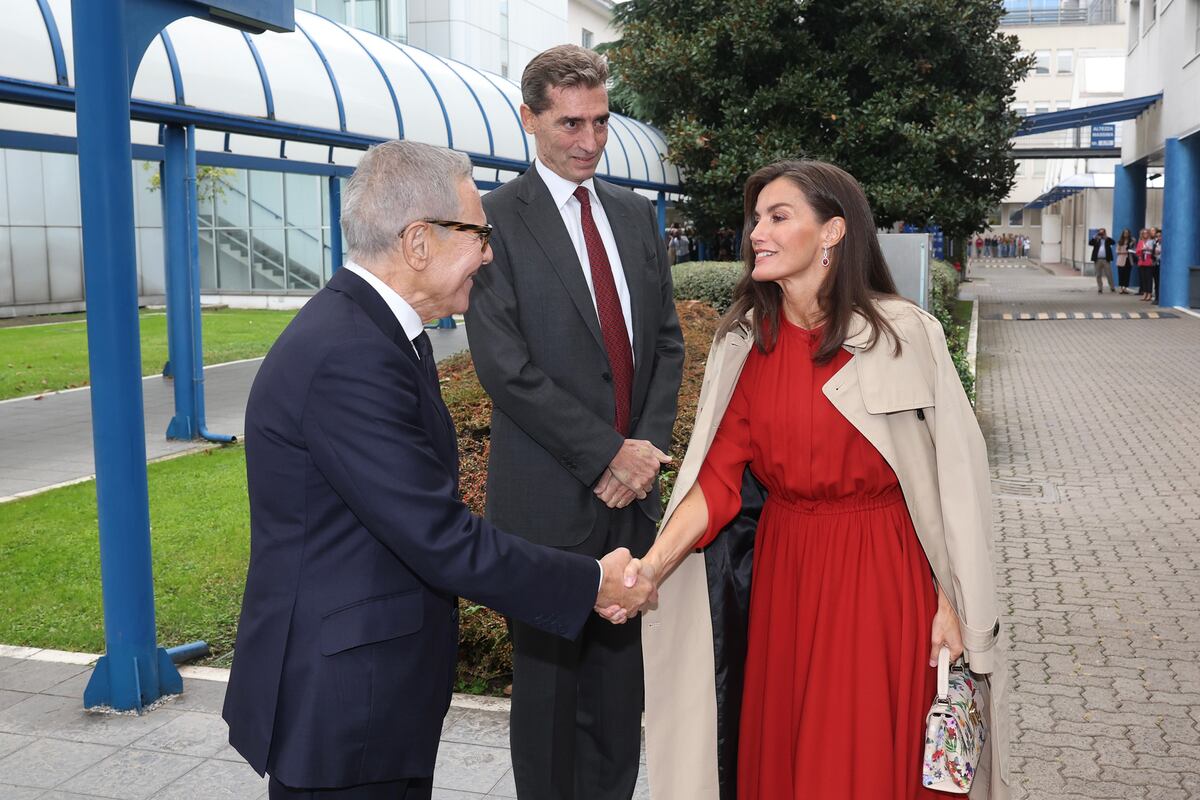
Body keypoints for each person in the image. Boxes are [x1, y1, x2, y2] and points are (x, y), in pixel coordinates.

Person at [222, 140, 655, 800]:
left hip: (370, 689)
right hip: (343, 705)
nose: (488, 252)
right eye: (479, 233)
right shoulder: (350, 354)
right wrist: (592, 582)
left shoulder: (374, 331)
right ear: (418, 242)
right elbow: (439, 537)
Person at [635, 160, 1009, 799]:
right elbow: (717, 482)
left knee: (861, 755)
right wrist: (650, 568)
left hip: (884, 577)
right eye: (756, 219)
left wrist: (957, 603)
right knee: (789, 753)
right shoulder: (746, 345)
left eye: (778, 217)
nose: (758, 231)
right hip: (788, 576)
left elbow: (958, 486)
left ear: (833, 232)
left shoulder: (904, 336)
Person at [464, 45, 685, 800]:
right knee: (551, 705)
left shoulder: (631, 213)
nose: (589, 141)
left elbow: (665, 342)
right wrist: (605, 456)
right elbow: (505, 367)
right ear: (529, 119)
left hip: (634, 504)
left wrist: (645, 455)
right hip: (548, 503)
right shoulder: (490, 221)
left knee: (621, 700)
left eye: (600, 120)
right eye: (568, 124)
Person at [1089, 228, 1116, 293]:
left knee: (1109, 274)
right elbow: (1090, 243)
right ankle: (1100, 288)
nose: (1101, 234)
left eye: (1102, 233)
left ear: (1105, 233)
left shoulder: (1107, 240)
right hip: (1097, 259)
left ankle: (1112, 287)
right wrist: (1095, 237)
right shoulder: (1096, 239)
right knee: (1098, 275)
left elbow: (1113, 242)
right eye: (1100, 233)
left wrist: (1106, 238)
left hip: (1106, 260)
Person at [1136, 228, 1154, 301]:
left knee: (1148, 279)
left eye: (1146, 233)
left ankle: (1149, 293)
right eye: (1144, 233)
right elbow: (1137, 251)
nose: (1145, 234)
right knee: (1143, 279)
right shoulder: (1140, 242)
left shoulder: (1151, 241)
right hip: (1142, 261)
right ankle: (1145, 293)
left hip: (1149, 261)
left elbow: (1153, 250)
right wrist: (1141, 250)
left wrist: (1149, 249)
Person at [1116, 228, 1133, 293]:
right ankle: (1121, 288)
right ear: (1123, 234)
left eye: (1127, 233)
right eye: (1125, 233)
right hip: (1121, 260)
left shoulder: (1131, 241)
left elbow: (1134, 249)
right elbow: (1117, 251)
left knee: (1127, 274)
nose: (1126, 234)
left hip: (1129, 259)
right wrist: (1124, 252)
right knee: (1121, 274)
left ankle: (1125, 287)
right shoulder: (1120, 241)